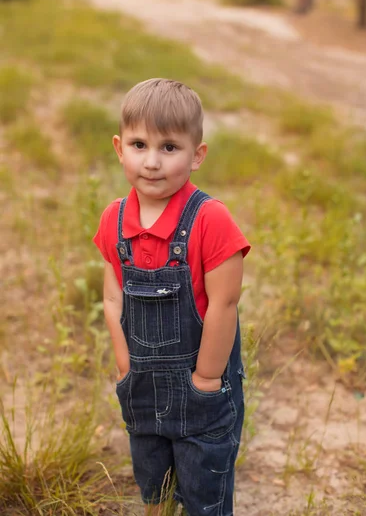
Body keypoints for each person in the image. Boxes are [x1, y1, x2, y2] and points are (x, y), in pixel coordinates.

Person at [93, 78, 250, 516]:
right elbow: (112, 296)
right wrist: (125, 364)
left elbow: (224, 305)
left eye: (169, 147)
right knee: (154, 484)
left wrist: (205, 379)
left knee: (204, 487)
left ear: (196, 155)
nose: (152, 162)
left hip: (201, 386)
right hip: (140, 385)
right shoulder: (115, 217)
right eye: (139, 144)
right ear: (119, 148)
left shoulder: (209, 219)